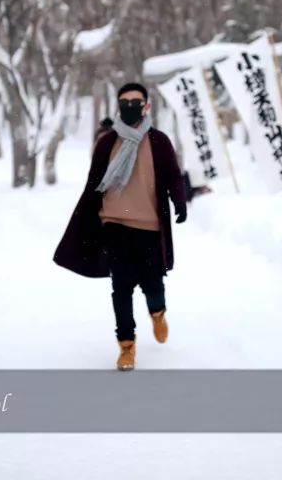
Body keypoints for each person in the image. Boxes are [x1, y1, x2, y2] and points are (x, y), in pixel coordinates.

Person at [53, 82, 187, 371]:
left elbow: (174, 176)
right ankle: (127, 345)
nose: (129, 106)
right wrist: (87, 219)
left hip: (150, 224)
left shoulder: (159, 141)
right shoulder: (107, 142)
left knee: (153, 284)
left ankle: (157, 312)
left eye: (135, 102)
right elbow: (94, 183)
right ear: (118, 106)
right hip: (114, 223)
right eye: (124, 102)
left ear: (146, 106)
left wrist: (180, 201)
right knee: (121, 287)